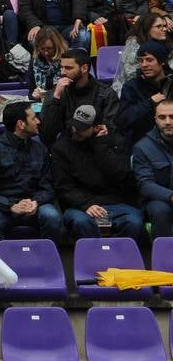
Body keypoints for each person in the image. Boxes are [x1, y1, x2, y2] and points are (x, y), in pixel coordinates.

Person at [51, 104, 144, 241]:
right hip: (80, 205)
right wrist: (86, 204)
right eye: (74, 125)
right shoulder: (61, 147)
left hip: (116, 202)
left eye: (82, 128)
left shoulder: (115, 141)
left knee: (134, 222)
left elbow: (121, 174)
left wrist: (101, 145)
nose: (75, 131)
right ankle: (93, 259)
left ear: (97, 127)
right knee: (81, 222)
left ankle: (120, 259)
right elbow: (63, 185)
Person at [0, 102, 62, 246]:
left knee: (52, 217)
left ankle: (45, 260)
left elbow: (48, 186)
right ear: (21, 124)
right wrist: (11, 206)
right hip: (4, 207)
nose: (38, 121)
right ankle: (4, 263)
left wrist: (35, 202)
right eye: (34, 118)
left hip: (36, 205)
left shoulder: (40, 150)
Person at [38, 49, 118, 147]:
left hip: (96, 149)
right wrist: (56, 98)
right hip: (66, 150)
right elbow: (46, 135)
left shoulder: (106, 94)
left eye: (68, 68)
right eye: (61, 67)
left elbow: (110, 129)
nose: (63, 72)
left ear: (84, 68)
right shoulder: (57, 93)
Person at [117, 41, 173, 145]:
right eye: (141, 61)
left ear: (162, 61)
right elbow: (122, 121)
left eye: (149, 60)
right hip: (145, 145)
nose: (144, 65)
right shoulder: (131, 87)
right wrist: (149, 103)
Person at [133, 97, 173, 238]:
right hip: (159, 200)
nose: (168, 122)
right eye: (162, 117)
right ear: (155, 119)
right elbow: (146, 185)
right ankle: (166, 257)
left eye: (172, 117)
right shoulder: (142, 147)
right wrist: (171, 196)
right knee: (160, 210)